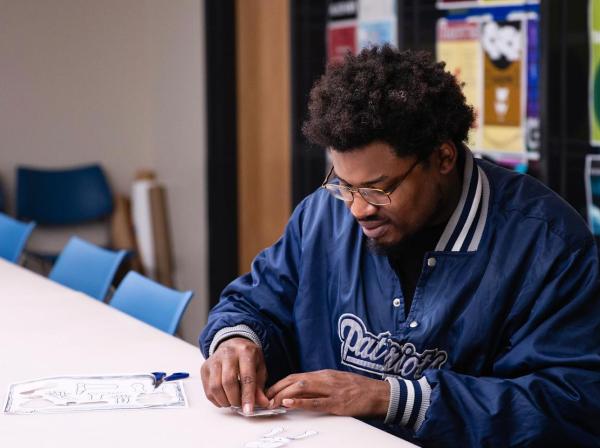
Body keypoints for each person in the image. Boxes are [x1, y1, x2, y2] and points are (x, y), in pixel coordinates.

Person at [199, 45, 600, 446]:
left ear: (442, 158)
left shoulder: (549, 245)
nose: (357, 209)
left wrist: (393, 399)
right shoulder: (324, 215)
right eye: (343, 184)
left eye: (377, 188)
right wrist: (238, 340)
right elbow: (255, 302)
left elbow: (568, 405)